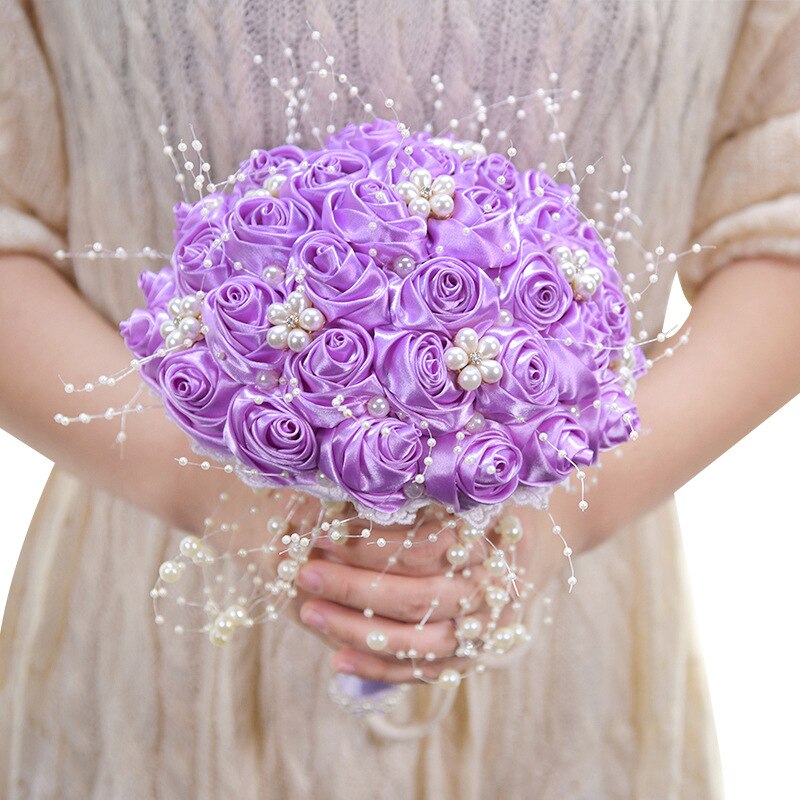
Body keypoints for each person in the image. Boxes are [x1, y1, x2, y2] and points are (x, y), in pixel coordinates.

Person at [1, 1, 799, 797]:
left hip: (572, 641)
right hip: (150, 622)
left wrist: (564, 515)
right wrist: (223, 498)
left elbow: (783, 223)